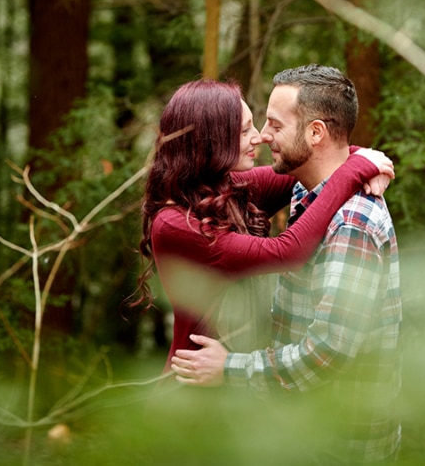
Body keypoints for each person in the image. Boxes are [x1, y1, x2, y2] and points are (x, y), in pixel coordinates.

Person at [170, 65, 403, 464]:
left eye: (274, 124)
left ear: (315, 133)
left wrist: (230, 369)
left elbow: (327, 352)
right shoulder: (303, 189)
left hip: (340, 443)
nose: (262, 135)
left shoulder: (353, 224)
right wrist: (362, 159)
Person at [136, 79, 394, 371]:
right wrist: (359, 167)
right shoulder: (175, 224)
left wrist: (364, 158)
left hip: (241, 380)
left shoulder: (227, 188)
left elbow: (316, 160)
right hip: (200, 385)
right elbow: (287, 252)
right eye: (245, 130)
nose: (259, 137)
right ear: (210, 139)